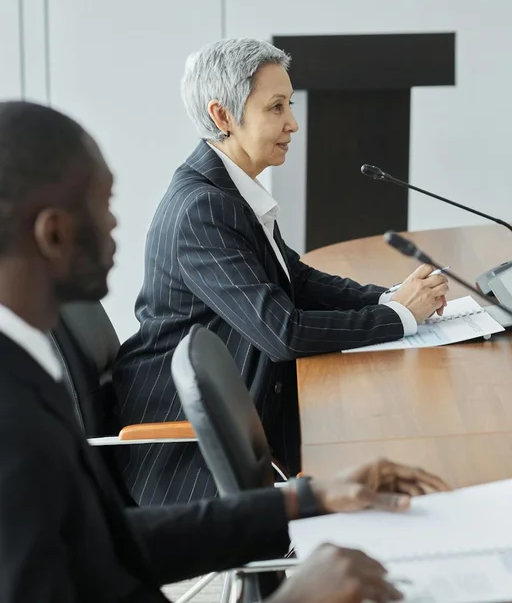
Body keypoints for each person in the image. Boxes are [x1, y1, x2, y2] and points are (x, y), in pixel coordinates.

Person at [0, 101, 451, 601]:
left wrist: (304, 499)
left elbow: (107, 545)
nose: (114, 224)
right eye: (103, 204)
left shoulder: (26, 370)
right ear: (54, 233)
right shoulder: (12, 426)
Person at [112, 38, 450, 506]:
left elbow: (297, 279)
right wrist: (399, 319)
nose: (293, 122)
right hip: (191, 449)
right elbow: (283, 332)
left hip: (239, 413)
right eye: (276, 107)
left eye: (289, 104)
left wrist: (388, 298)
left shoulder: (224, 189)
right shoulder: (203, 208)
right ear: (223, 116)